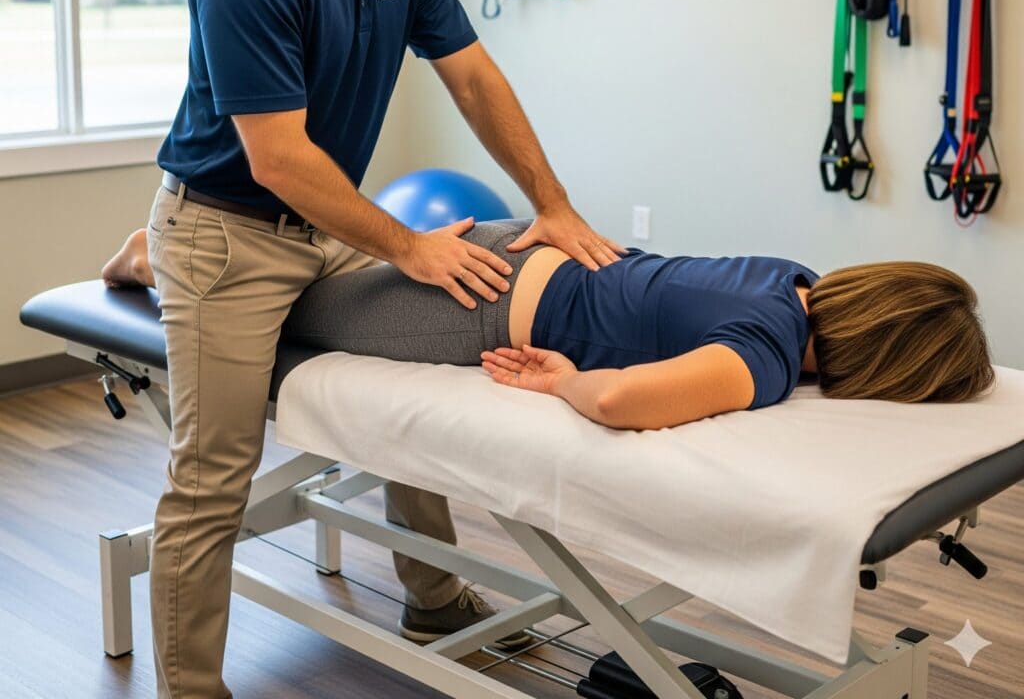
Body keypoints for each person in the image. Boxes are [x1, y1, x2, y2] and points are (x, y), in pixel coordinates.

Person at [122, 0, 622, 699]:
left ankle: (433, 595)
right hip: (230, 229)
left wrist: (551, 207)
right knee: (212, 476)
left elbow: (470, 74)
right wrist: (404, 244)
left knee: (412, 380)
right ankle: (191, 689)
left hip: (322, 227)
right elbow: (278, 157)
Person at [104, 219, 994, 435]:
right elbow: (615, 402)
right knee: (277, 318)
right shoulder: (764, 356)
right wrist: (561, 377)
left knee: (325, 284)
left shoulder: (787, 282)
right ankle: (158, 256)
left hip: (508, 246)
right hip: (476, 303)